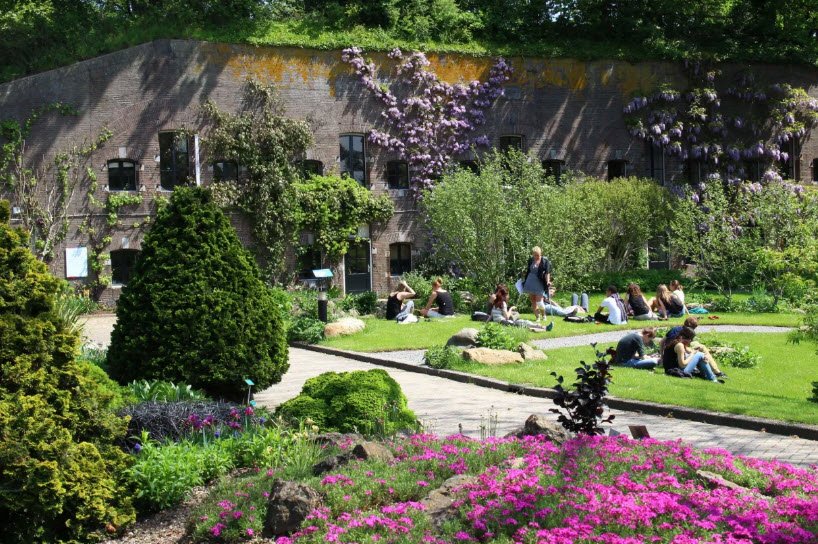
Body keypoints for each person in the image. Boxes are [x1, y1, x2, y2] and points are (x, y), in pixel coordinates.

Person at [663, 316, 728, 378]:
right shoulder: (681, 341)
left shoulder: (677, 334)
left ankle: (711, 376)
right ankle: (715, 374)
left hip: (674, 362)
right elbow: (682, 364)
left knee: (700, 353)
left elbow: (662, 341)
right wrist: (693, 354)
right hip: (677, 368)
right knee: (701, 351)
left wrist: (662, 355)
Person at [521, 246, 551, 322]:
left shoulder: (545, 261)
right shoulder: (531, 260)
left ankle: (544, 315)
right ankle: (537, 317)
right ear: (533, 254)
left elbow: (547, 273)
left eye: (538, 255)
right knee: (533, 300)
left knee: (539, 302)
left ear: (541, 254)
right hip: (530, 281)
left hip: (539, 282)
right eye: (535, 255)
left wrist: (548, 281)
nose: (537, 257)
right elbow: (528, 270)